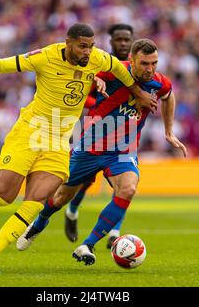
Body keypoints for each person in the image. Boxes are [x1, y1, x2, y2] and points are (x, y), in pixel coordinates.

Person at [0, 23, 157, 273]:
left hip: (59, 142)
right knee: (4, 197)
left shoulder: (99, 58)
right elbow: (0, 65)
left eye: (90, 47)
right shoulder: (45, 56)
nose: (88, 52)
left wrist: (139, 94)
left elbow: (122, 74)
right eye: (82, 47)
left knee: (36, 200)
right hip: (31, 132)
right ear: (68, 43)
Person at [16, 39, 187, 266]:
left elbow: (169, 95)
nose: (150, 69)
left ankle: (88, 244)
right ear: (132, 60)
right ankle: (40, 222)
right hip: (91, 147)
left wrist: (168, 131)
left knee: (128, 188)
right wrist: (93, 78)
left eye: (154, 63)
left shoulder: (158, 82)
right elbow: (83, 74)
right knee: (59, 197)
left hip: (123, 150)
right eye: (145, 63)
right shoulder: (114, 70)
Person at [65, 23, 134, 248]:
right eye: (119, 39)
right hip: (95, 130)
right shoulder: (99, 64)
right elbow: (81, 94)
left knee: (124, 183)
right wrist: (106, 104)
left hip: (125, 134)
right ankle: (72, 211)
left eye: (127, 39)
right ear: (111, 41)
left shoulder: (135, 68)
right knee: (83, 181)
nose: (123, 43)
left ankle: (114, 231)